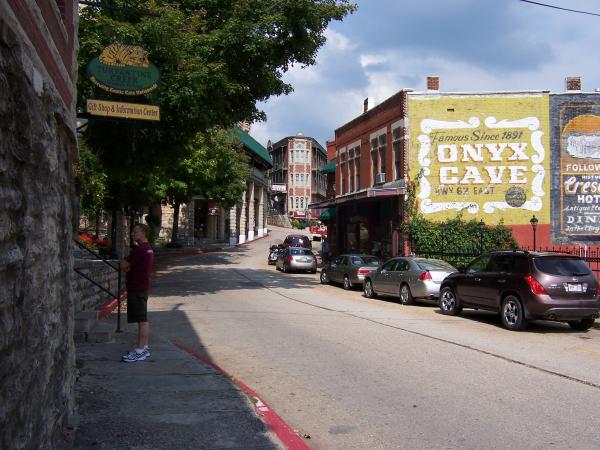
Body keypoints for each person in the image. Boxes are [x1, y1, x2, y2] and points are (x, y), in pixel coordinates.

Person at [120, 223, 154, 363]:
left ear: (144, 233)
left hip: (137, 288)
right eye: (133, 232)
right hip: (141, 286)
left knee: (142, 319)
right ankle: (143, 347)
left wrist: (127, 268)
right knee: (141, 318)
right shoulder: (148, 249)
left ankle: (140, 350)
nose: (133, 234)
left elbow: (123, 264)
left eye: (136, 232)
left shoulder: (140, 250)